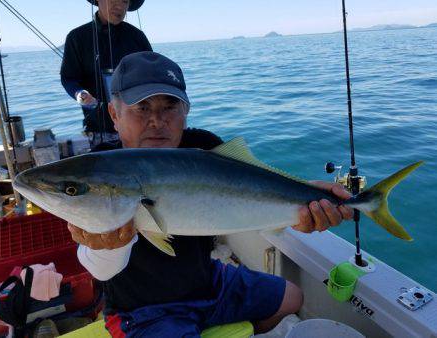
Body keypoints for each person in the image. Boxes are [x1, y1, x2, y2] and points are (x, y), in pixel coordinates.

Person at [67, 51, 353, 337]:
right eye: (142, 108)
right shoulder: (100, 171)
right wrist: (110, 244)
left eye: (170, 106)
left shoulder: (204, 149)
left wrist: (304, 201)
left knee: (291, 298)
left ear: (185, 111)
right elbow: (101, 272)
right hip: (143, 311)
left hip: (210, 283)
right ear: (114, 115)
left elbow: (255, 193)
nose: (157, 120)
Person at [60, 0, 152, 147]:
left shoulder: (137, 37)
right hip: (98, 129)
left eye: (125, 1)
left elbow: (152, 76)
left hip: (138, 127)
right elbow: (68, 78)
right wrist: (79, 94)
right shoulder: (77, 37)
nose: (120, 6)